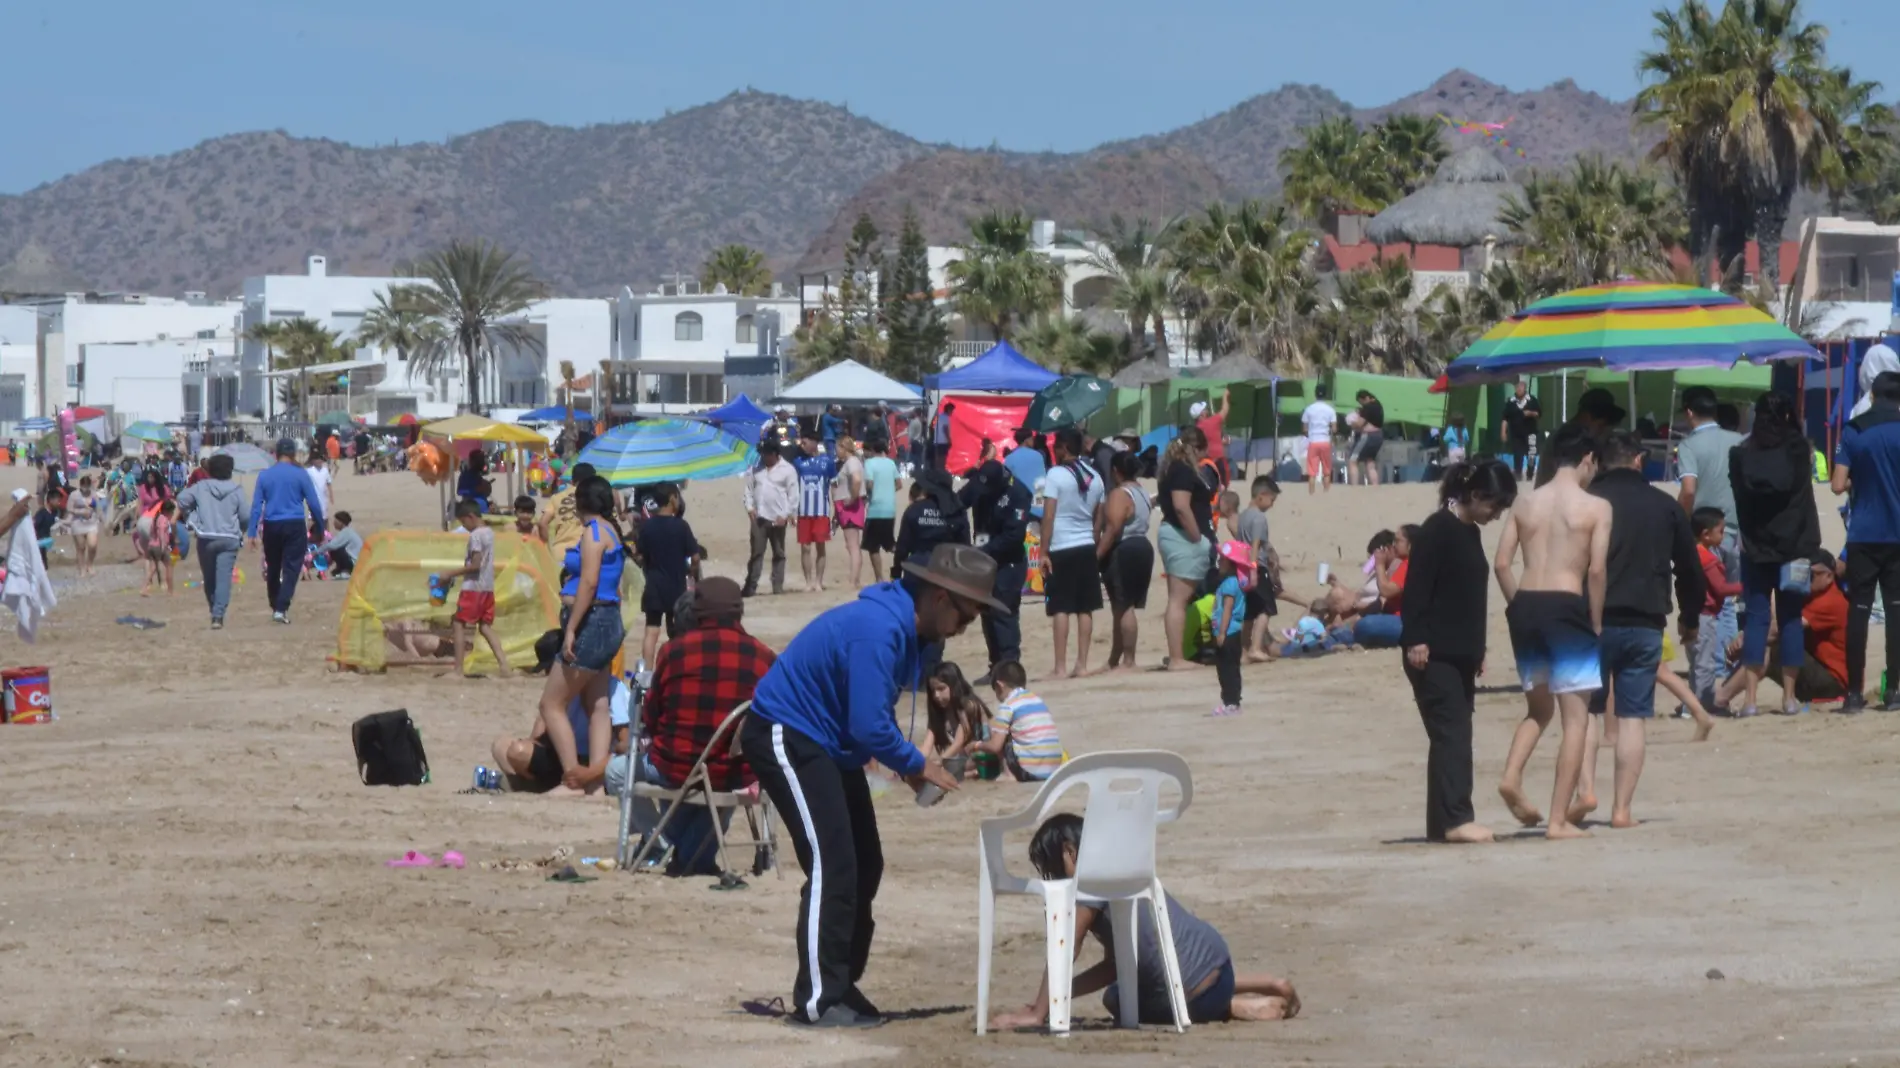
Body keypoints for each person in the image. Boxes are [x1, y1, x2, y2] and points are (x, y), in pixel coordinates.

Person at [743, 543, 984, 1028]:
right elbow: (870, 726)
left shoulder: (906, 630)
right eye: (966, 615)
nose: (964, 629)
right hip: (786, 733)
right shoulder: (880, 630)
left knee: (864, 863)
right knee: (832, 864)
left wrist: (912, 763)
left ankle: (841, 983)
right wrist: (917, 764)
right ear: (940, 597)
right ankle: (817, 999)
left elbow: (867, 721)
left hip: (828, 743)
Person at [988, 812, 1299, 1031]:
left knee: (1116, 998)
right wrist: (1055, 997)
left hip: (1197, 1000)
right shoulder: (1122, 868)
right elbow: (1115, 966)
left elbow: (1066, 944)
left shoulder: (1089, 879)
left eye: (1050, 872)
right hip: (1222, 969)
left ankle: (1238, 1007)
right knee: (1142, 977)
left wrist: (1039, 1012)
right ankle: (1267, 983)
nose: (1050, 881)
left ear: (1070, 852)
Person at [1568, 431, 1704, 830]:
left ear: (1599, 462)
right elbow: (1690, 571)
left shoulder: (1586, 503)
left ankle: (1586, 791)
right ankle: (1622, 810)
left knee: (1586, 713)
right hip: (1645, 619)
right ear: (1639, 461)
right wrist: (1689, 618)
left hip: (1588, 620)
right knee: (1632, 717)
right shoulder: (1664, 506)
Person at [606, 577, 776, 873]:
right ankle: (686, 852)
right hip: (733, 770)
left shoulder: (675, 652)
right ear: (738, 612)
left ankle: (660, 842)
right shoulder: (764, 657)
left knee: (616, 772)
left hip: (676, 765)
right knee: (716, 774)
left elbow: (652, 717)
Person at [1492, 425, 1610, 840]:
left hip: (1527, 604)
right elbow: (1596, 570)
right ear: (1587, 460)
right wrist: (1594, 620)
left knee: (1538, 710)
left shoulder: (1526, 502)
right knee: (1576, 719)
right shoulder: (1595, 507)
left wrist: (1517, 606)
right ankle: (1558, 820)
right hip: (1565, 605)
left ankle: (1512, 776)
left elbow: (1502, 564)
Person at [1401, 459, 1518, 844]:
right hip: (1432, 653)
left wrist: (1476, 649)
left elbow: (1467, 596)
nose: (1497, 515)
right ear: (1473, 496)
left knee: (1450, 735)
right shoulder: (1437, 530)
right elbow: (1416, 591)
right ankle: (1456, 819)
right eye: (1494, 506)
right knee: (1453, 734)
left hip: (1458, 653)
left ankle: (1442, 824)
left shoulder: (1468, 532)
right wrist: (1417, 639)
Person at [1727, 391, 1823, 717]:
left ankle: (1751, 700)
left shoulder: (1740, 455)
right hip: (1794, 548)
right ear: (1786, 416)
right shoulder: (1798, 451)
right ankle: (1790, 699)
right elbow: (1801, 501)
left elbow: (1740, 500)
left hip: (1755, 548)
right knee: (1791, 619)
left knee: (1756, 620)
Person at [533, 476, 629, 794]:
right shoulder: (611, 530)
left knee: (551, 704)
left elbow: (588, 583)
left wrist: (571, 628)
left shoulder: (594, 533)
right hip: (607, 619)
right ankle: (595, 782)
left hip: (592, 620)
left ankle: (573, 777)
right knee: (598, 702)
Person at [1831, 369, 1900, 712]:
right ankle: (1894, 692)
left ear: (1872, 396)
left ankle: (1854, 693)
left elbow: (1837, 484)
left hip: (1863, 533)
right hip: (1898, 535)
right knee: (1896, 612)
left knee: (1857, 613)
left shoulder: (1854, 430)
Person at [1715, 551, 1849, 708]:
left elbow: (1781, 629)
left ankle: (1720, 698)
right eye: (1803, 574)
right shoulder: (1811, 594)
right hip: (1819, 672)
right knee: (1761, 645)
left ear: (1829, 576)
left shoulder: (1831, 601)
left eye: (1811, 575)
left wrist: (1747, 639)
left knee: (1772, 649)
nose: (1805, 579)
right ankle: (1721, 696)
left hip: (1833, 683)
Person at [494, 664, 628, 794]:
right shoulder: (569, 684)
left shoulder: (613, 689)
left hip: (595, 764)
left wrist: (589, 774)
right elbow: (541, 728)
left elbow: (628, 748)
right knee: (502, 747)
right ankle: (531, 787)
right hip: (563, 756)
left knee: (518, 751)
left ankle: (574, 788)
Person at [1039, 428, 1105, 679]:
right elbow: (1099, 519)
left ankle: (1060, 667)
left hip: (1061, 546)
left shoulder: (1055, 475)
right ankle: (1082, 664)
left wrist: (1043, 551)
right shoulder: (1095, 476)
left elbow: (1049, 516)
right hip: (1086, 544)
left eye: (1056, 446)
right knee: (1084, 608)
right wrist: (1094, 542)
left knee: (1061, 608)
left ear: (1064, 448)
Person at [960, 459, 1032, 680]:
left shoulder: (1018, 493)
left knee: (1004, 612)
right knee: (987, 613)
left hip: (1008, 562)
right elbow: (959, 502)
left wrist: (984, 550)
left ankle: (1009, 668)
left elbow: (1014, 536)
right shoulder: (981, 482)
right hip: (983, 561)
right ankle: (995, 667)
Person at [248, 438, 326, 624]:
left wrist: (251, 532)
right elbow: (314, 503)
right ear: (293, 454)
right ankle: (281, 608)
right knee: (292, 567)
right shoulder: (301, 474)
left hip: (271, 524)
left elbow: (256, 506)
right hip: (294, 523)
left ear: (275, 453)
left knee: (273, 567)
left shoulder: (265, 476)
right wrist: (320, 527)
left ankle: (275, 604)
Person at [1156, 426, 1213, 670]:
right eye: (1201, 453)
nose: (1203, 459)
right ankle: (1177, 658)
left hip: (1177, 535)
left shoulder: (1173, 467)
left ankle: (1178, 654)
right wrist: (1196, 536)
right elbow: (1181, 506)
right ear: (1195, 448)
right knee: (1178, 600)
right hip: (1182, 536)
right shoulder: (1181, 470)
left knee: (1179, 599)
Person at [1095, 451, 1157, 672]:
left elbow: (1113, 528)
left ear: (1115, 471)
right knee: (1121, 607)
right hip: (1142, 545)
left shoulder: (1120, 494)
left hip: (1126, 549)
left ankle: (1128, 660)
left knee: (1124, 606)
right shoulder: (1141, 491)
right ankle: (1115, 658)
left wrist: (1097, 556)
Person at [440, 499, 512, 678]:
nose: (464, 527)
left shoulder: (476, 536)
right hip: (487, 587)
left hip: (473, 587)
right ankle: (504, 666)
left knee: (458, 623)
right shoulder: (489, 532)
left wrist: (450, 573)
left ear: (470, 517)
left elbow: (475, 565)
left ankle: (458, 670)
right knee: (485, 627)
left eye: (464, 522)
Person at [632, 482, 701, 667]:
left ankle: (647, 670)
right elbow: (695, 557)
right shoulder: (681, 526)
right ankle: (679, 665)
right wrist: (692, 573)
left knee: (651, 631)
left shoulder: (647, 527)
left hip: (654, 586)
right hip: (676, 586)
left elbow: (639, 555)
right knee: (678, 630)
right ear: (672, 498)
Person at [176, 454, 248, 629]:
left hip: (206, 536)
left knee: (210, 578)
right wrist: (241, 530)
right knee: (224, 578)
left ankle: (214, 609)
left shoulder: (201, 487)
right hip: (229, 538)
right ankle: (218, 615)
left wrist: (192, 516)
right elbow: (246, 516)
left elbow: (181, 500)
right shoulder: (237, 489)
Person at [1688, 507, 1741, 714]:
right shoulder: (1708, 559)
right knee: (1705, 664)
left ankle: (1691, 703)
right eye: (1720, 531)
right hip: (1705, 616)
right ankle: (1703, 704)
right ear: (1706, 534)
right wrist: (1746, 587)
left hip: (1692, 614)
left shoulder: (1692, 553)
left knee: (1696, 662)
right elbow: (1721, 588)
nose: (1723, 535)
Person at [975, 660, 1064, 782]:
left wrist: (976, 745)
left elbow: (995, 746)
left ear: (1000, 686)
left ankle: (1008, 774)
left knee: (998, 729)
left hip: (1030, 771)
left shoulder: (1008, 704)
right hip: (1054, 770)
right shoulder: (1036, 700)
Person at [742, 441, 798, 597]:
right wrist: (749, 507)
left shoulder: (788, 470)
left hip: (778, 518)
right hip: (759, 517)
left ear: (775, 454)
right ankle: (750, 586)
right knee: (756, 553)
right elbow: (748, 489)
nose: (764, 457)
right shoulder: (756, 468)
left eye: (766, 454)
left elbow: (793, 496)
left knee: (779, 553)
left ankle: (777, 585)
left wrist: (786, 514)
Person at [790, 428, 837, 592]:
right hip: (803, 511)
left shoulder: (827, 461)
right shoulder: (797, 461)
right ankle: (808, 581)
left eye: (806, 441)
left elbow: (834, 486)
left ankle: (818, 581)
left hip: (821, 511)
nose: (803, 444)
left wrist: (837, 508)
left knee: (820, 546)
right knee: (805, 547)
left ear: (814, 442)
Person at [893, 468, 969, 567]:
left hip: (918, 568)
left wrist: (896, 572)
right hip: (947, 570)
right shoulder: (958, 510)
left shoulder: (914, 509)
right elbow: (966, 547)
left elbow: (902, 547)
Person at [1211, 541, 1251, 716]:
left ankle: (1231, 702)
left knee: (1226, 669)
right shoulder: (1237, 583)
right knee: (1232, 668)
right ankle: (1233, 701)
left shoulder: (1229, 584)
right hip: (1234, 632)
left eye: (1222, 560)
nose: (1219, 562)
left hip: (1228, 632)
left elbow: (1227, 608)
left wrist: (1221, 633)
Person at [923, 661, 989, 765]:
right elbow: (926, 747)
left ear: (954, 685)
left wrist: (940, 762)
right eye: (932, 691)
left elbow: (958, 742)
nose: (936, 695)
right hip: (962, 759)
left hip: (984, 758)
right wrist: (913, 764)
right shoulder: (938, 711)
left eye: (941, 689)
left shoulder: (969, 706)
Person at [862, 437, 901, 582]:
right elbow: (899, 484)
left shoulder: (869, 463)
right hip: (889, 508)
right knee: (890, 544)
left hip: (875, 509)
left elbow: (870, 484)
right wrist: (888, 492)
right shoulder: (891, 463)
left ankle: (879, 577)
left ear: (872, 450)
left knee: (873, 546)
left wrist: (868, 495)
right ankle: (903, 559)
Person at [537, 461, 596, 559]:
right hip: (587, 551)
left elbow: (542, 523)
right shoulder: (595, 496)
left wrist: (546, 546)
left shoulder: (557, 497)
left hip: (560, 552)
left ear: (572, 480)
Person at [834, 436, 868, 585]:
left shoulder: (852, 462)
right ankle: (854, 578)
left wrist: (853, 498)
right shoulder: (849, 462)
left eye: (838, 449)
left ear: (844, 448)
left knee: (853, 545)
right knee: (851, 544)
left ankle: (853, 580)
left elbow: (857, 480)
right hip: (847, 505)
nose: (836, 452)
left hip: (850, 507)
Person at [1501, 379, 1542, 478]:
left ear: (1525, 387)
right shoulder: (1511, 402)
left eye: (1521, 386)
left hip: (1531, 432)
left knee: (1531, 454)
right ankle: (1518, 473)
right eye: (1517, 387)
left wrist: (1530, 413)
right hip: (1516, 434)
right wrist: (1503, 432)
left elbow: (1539, 413)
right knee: (1517, 454)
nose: (1519, 389)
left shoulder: (1532, 400)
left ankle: (1530, 473)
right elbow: (1505, 418)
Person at [1300, 386, 1338, 494]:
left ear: (1315, 394)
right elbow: (1334, 429)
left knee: (1312, 472)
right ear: (1326, 395)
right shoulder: (1330, 409)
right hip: (1325, 441)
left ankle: (1312, 493)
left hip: (1313, 441)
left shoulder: (1309, 409)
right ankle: (1326, 492)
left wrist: (1310, 434)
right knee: (1326, 470)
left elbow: (1304, 429)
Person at [136, 500, 178, 595]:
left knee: (153, 568)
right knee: (169, 566)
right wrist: (164, 546)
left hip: (152, 545)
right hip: (159, 546)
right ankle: (170, 590)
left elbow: (152, 532)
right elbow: (161, 532)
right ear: (168, 511)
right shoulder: (163, 520)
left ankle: (144, 588)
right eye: (172, 512)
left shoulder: (156, 518)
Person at [1192, 388, 1231, 486]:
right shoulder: (1212, 422)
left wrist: (1220, 442)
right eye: (1204, 410)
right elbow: (1225, 410)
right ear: (1201, 414)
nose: (1207, 410)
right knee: (1224, 485)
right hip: (1218, 459)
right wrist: (1225, 396)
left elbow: (1207, 441)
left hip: (1204, 461)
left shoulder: (1196, 428)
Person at [66, 475, 102, 578]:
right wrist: (80, 512)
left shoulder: (94, 494)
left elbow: (98, 509)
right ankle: (81, 568)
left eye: (88, 486)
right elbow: (69, 509)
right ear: (81, 485)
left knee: (92, 545)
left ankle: (90, 564)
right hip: (78, 523)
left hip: (91, 523)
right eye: (84, 486)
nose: (86, 488)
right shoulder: (74, 495)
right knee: (81, 547)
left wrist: (103, 520)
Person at [1351, 389, 1385, 486]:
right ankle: (1375, 485)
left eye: (1361, 402)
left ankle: (1354, 486)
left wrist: (1352, 423)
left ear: (1365, 398)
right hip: (1379, 435)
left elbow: (1359, 424)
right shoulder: (1378, 405)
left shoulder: (1368, 407)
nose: (1362, 405)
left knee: (1353, 461)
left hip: (1368, 436)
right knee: (1370, 462)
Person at [324, 511, 363, 578]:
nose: (333, 523)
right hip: (356, 561)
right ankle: (342, 570)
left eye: (335, 521)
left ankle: (346, 571)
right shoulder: (347, 531)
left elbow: (331, 546)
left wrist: (314, 553)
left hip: (356, 563)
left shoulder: (346, 532)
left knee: (336, 549)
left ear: (341, 522)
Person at [305, 449, 335, 519]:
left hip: (323, 496)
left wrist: (331, 496)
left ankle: (325, 530)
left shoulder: (325, 470)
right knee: (312, 517)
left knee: (325, 516)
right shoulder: (309, 471)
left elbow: (329, 483)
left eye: (320, 459)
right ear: (313, 461)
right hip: (313, 497)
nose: (319, 461)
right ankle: (308, 530)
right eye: (317, 459)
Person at [932, 401, 955, 470]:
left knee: (938, 457)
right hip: (943, 441)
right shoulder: (946, 418)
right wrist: (949, 440)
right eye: (952, 410)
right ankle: (941, 470)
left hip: (936, 440)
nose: (952, 412)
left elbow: (933, 427)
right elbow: (945, 430)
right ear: (948, 410)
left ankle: (937, 470)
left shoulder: (939, 416)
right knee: (942, 457)